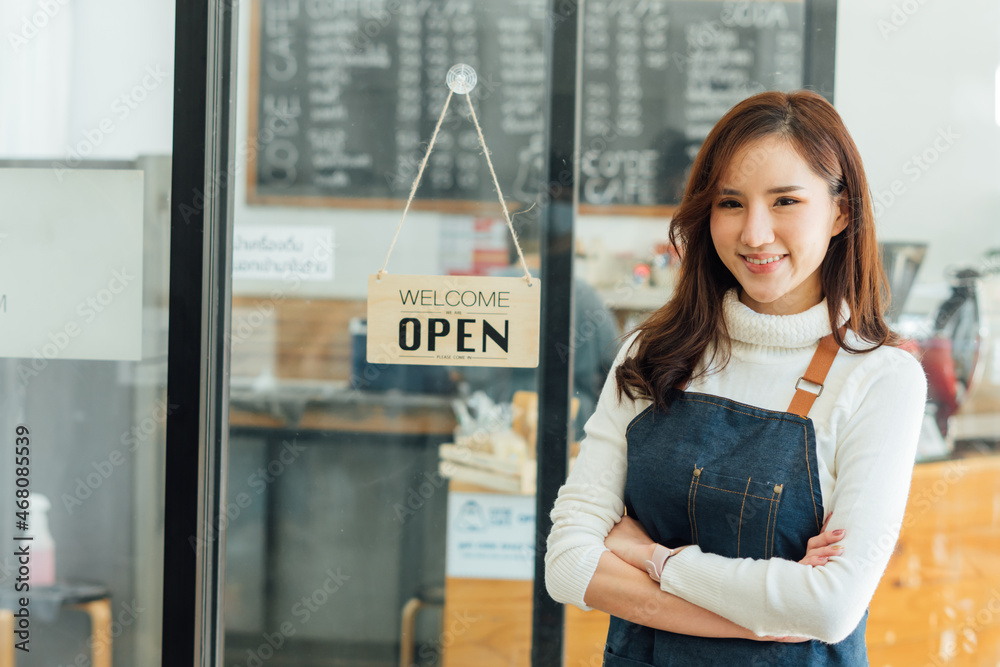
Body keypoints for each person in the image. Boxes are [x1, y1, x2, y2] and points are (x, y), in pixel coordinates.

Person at [544, 90, 927, 665]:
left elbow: (828, 607)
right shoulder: (651, 354)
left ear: (841, 212)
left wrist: (653, 558)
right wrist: (759, 623)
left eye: (785, 202)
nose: (754, 234)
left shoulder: (881, 377)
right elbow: (567, 564)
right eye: (730, 203)